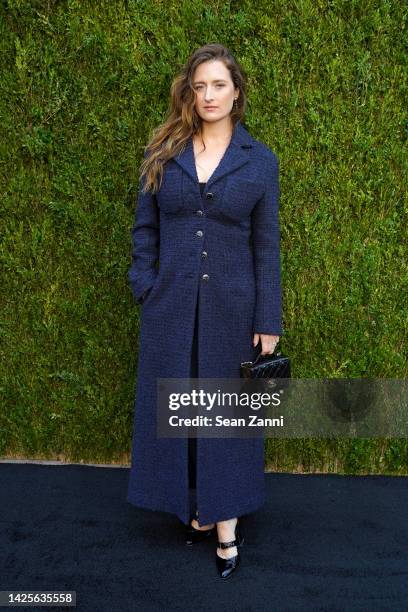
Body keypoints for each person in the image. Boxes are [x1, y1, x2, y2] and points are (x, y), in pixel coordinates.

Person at [127, 43, 283, 579]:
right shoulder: (162, 153)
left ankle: (226, 530)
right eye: (200, 86)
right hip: (169, 307)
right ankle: (185, 505)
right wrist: (144, 284)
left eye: (218, 85)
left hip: (234, 310)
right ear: (189, 94)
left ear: (236, 91)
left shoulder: (259, 160)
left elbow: (267, 246)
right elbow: (144, 229)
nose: (209, 95)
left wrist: (268, 320)